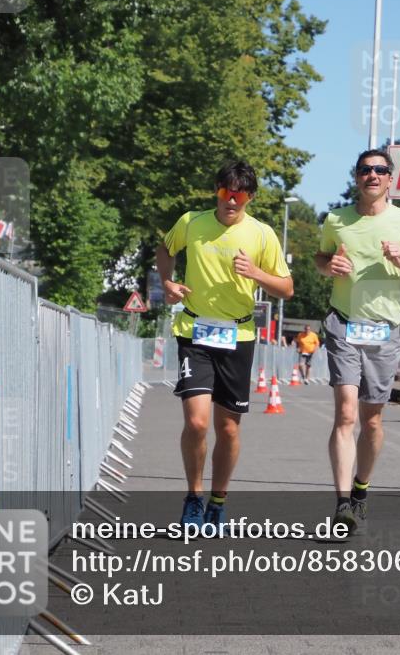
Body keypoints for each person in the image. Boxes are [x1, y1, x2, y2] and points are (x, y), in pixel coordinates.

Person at [156, 161, 293, 531]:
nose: (231, 200)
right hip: (195, 331)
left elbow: (286, 288)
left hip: (239, 336)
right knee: (197, 422)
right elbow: (165, 250)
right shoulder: (191, 222)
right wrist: (168, 282)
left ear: (249, 197)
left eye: (240, 194)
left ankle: (218, 500)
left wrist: (257, 274)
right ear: (216, 190)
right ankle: (193, 499)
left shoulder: (262, 235)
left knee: (228, 428)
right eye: (224, 192)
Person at [315, 149, 400, 533]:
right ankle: (341, 506)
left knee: (371, 421)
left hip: (385, 331)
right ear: (356, 177)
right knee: (346, 413)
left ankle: (361, 493)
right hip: (344, 324)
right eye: (365, 170)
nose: (372, 175)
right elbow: (320, 258)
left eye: (380, 170)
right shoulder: (336, 219)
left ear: (391, 179)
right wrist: (327, 265)